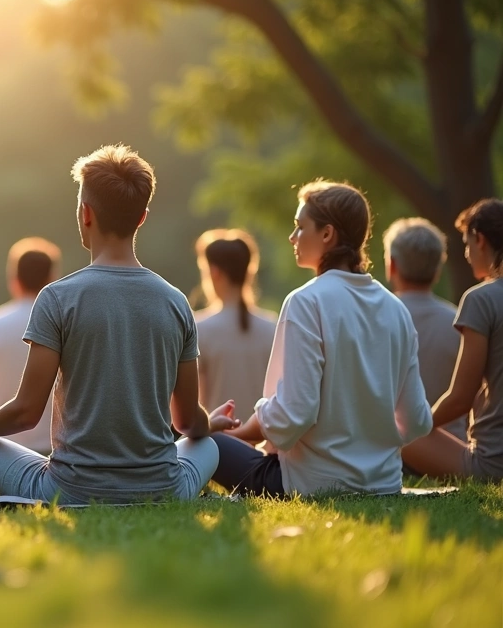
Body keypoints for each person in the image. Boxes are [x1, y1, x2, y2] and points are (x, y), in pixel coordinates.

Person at [0, 144, 235, 504]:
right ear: (141, 217)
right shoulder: (176, 302)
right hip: (163, 488)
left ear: (85, 213)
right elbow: (188, 423)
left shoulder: (57, 298)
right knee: (207, 445)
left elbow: (25, 412)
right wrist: (212, 423)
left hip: (69, 490)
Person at [212, 181, 432, 496]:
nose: (293, 237)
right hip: (383, 483)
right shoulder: (396, 309)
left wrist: (239, 431)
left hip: (308, 483)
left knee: (204, 441)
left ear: (327, 234)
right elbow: (416, 421)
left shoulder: (306, 301)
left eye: (300, 227)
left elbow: (294, 414)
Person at [402, 199, 503, 480]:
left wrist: (419, 426)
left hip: (492, 465)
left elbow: (460, 399)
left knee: (396, 429)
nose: (467, 254)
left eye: (467, 244)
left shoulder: (481, 298)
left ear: (480, 239)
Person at [0, 237, 61, 454]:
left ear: (14, 279)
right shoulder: (64, 325)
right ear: (52, 279)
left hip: (3, 443)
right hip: (56, 444)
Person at [382, 218, 469, 442]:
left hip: (388, 444)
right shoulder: (462, 323)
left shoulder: (373, 319)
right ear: (437, 270)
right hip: (451, 448)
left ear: (392, 265)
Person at [193, 230, 277, 418]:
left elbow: (195, 404)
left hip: (217, 443)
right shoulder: (272, 327)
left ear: (214, 273)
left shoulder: (199, 329)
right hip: (260, 442)